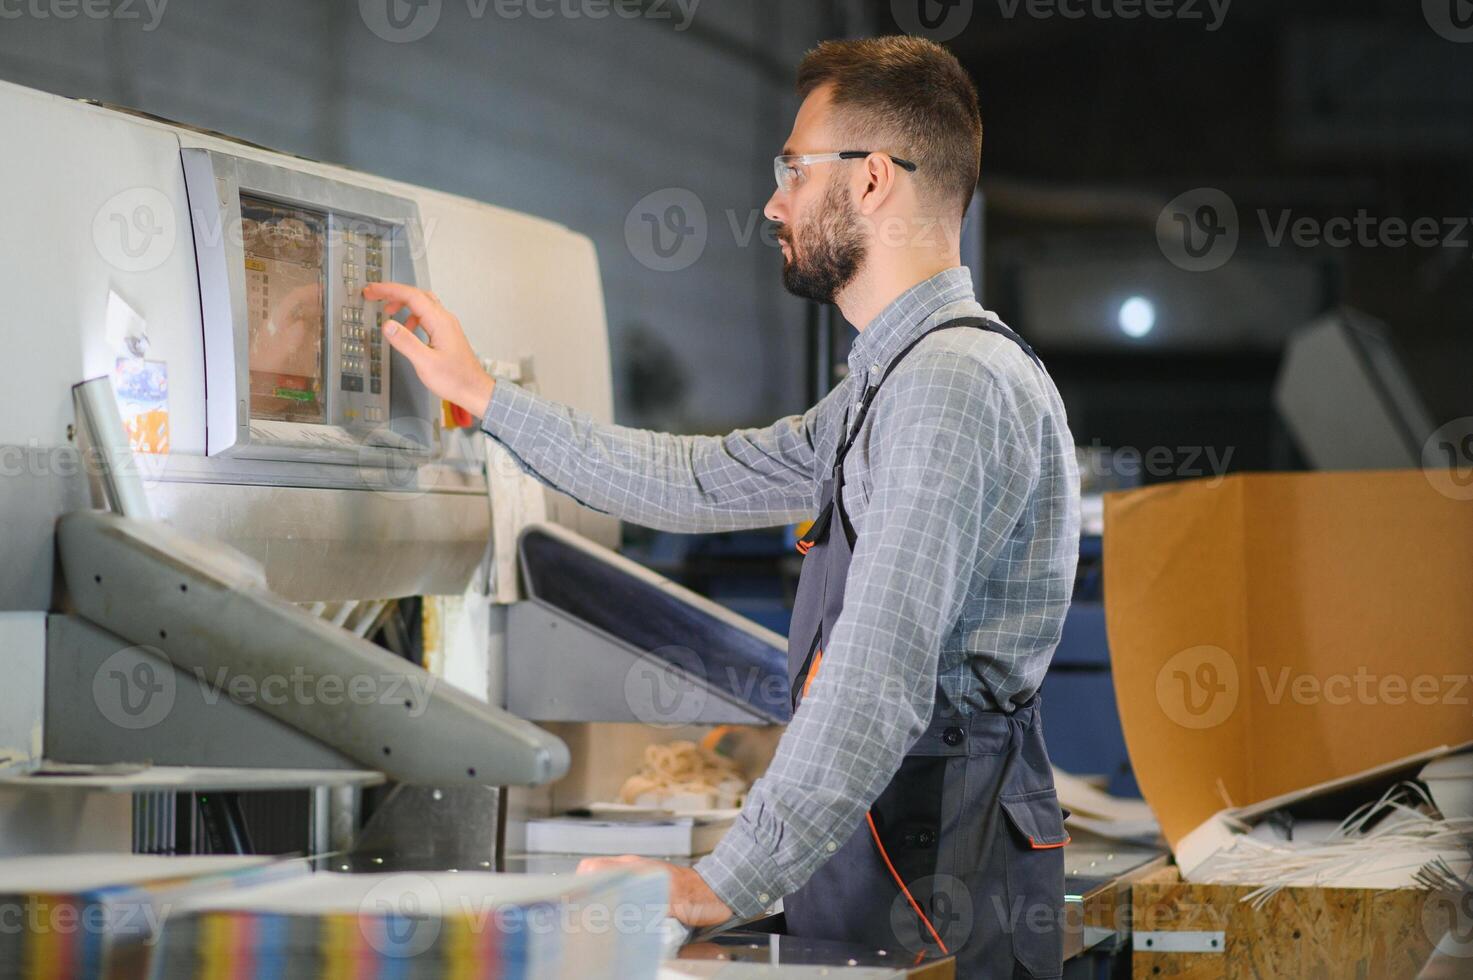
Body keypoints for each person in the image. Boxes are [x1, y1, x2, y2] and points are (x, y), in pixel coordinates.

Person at [366, 34, 1080, 979]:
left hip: (936, 854)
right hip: (905, 838)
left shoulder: (947, 385)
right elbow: (694, 481)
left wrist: (717, 883)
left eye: (792, 168)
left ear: (871, 181)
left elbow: (877, 680)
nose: (772, 202)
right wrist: (486, 397)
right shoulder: (895, 379)